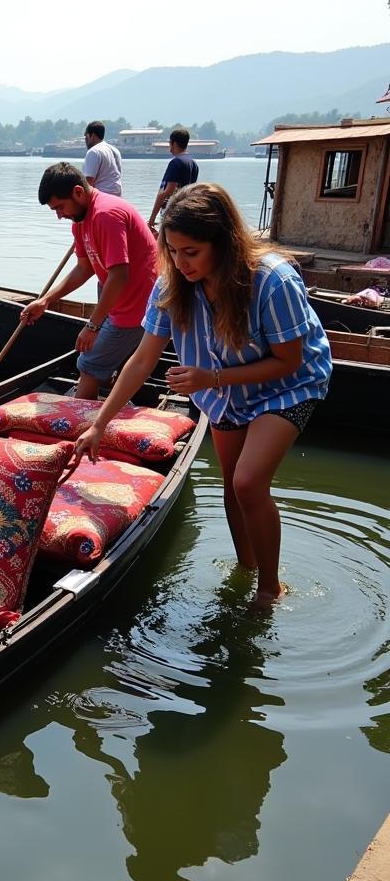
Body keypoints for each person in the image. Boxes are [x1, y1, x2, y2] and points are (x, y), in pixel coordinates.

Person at [72, 182, 332, 608]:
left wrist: (211, 378)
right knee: (231, 485)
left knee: (249, 482)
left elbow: (289, 361)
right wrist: (99, 423)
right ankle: (246, 566)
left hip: (289, 385)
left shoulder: (272, 280)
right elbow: (141, 361)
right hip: (224, 390)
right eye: (172, 251)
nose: (180, 262)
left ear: (224, 243)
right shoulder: (171, 285)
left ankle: (269, 587)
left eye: (191, 251)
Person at [20, 162, 157, 399]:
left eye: (60, 207)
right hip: (117, 299)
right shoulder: (81, 221)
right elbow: (84, 269)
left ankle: (81, 428)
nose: (60, 216)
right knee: (103, 361)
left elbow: (119, 276)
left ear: (78, 192)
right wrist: (46, 301)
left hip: (137, 306)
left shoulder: (105, 215)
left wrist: (93, 326)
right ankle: (114, 400)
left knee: (89, 364)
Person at [147, 128, 199, 234]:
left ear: (173, 143)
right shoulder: (193, 163)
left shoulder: (176, 162)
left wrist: (152, 218)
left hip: (171, 211)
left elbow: (168, 191)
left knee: (167, 243)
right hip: (185, 211)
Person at [82, 121, 122, 197]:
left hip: (102, 198)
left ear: (92, 135)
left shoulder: (93, 151)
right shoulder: (115, 151)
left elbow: (88, 183)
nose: (85, 139)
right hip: (117, 198)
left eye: (85, 136)